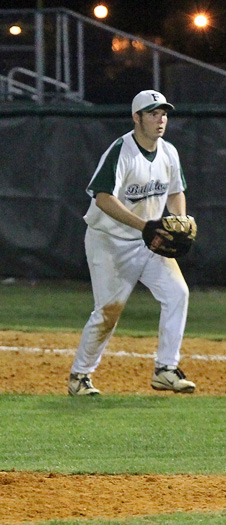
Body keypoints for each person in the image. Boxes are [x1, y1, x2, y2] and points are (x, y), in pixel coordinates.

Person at [68, 90, 195, 396]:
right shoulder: (121, 151)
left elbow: (176, 191)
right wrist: (145, 226)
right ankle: (79, 377)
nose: (160, 119)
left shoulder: (169, 152)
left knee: (178, 292)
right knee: (108, 312)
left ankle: (166, 369)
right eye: (152, 113)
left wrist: (180, 218)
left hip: (148, 242)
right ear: (136, 118)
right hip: (108, 241)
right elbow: (102, 198)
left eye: (163, 113)